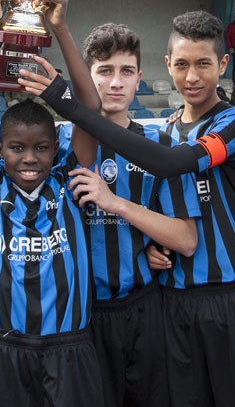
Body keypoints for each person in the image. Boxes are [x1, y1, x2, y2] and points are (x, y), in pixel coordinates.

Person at [34, 10, 235, 407]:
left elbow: (171, 165)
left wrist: (71, 105)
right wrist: (149, 245)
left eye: (203, 64)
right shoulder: (168, 129)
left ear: (223, 65)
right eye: (182, 65)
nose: (192, 76)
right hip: (173, 300)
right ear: (168, 65)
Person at [0, 0, 106, 406]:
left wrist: (60, 27)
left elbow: (91, 108)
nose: (30, 158)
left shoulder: (70, 180)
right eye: (17, 148)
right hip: (2, 347)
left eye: (41, 148)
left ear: (57, 149)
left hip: (69, 346)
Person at [55, 22, 200, 407]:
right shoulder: (56, 144)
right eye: (104, 71)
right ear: (88, 77)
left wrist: (118, 204)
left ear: (139, 78)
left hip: (143, 309)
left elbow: (186, 240)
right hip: (78, 314)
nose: (115, 82)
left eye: (126, 71)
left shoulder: (160, 146)